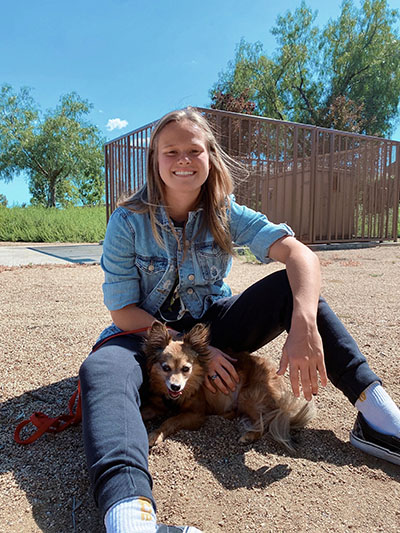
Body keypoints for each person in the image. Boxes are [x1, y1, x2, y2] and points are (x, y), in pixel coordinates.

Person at [79, 108, 400, 533]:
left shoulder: (225, 211)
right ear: (155, 161)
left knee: (292, 289)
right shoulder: (127, 220)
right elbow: (122, 310)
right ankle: (130, 516)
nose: (183, 160)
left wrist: (303, 323)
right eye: (170, 151)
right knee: (100, 370)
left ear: (210, 156)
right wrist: (196, 350)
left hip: (216, 323)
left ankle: (377, 417)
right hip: (146, 333)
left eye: (194, 150)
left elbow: (299, 254)